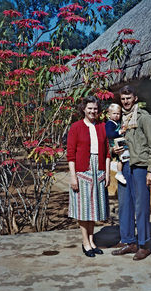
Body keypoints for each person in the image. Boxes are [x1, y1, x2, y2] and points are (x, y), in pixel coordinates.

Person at [111, 85, 151, 260]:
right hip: (124, 167)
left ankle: (144, 244)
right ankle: (129, 242)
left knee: (141, 207)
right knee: (124, 205)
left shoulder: (144, 118)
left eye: (128, 98)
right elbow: (113, 142)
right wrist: (114, 152)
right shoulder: (119, 120)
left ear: (135, 99)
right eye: (123, 98)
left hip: (140, 168)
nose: (125, 101)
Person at [67, 96, 111, 258]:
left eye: (96, 109)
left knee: (94, 208)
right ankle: (85, 242)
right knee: (84, 209)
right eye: (90, 108)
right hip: (82, 171)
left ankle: (92, 241)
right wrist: (73, 177)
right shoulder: (76, 127)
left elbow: (107, 152)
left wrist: (107, 173)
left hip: (98, 170)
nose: (93, 111)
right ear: (84, 109)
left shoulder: (102, 126)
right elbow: (70, 154)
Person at [105, 103, 129, 185]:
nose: (116, 115)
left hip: (119, 142)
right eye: (114, 113)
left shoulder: (117, 122)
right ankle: (119, 173)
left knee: (122, 158)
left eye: (118, 113)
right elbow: (109, 134)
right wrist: (120, 132)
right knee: (121, 159)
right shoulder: (109, 123)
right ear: (109, 114)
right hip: (114, 144)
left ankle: (119, 173)